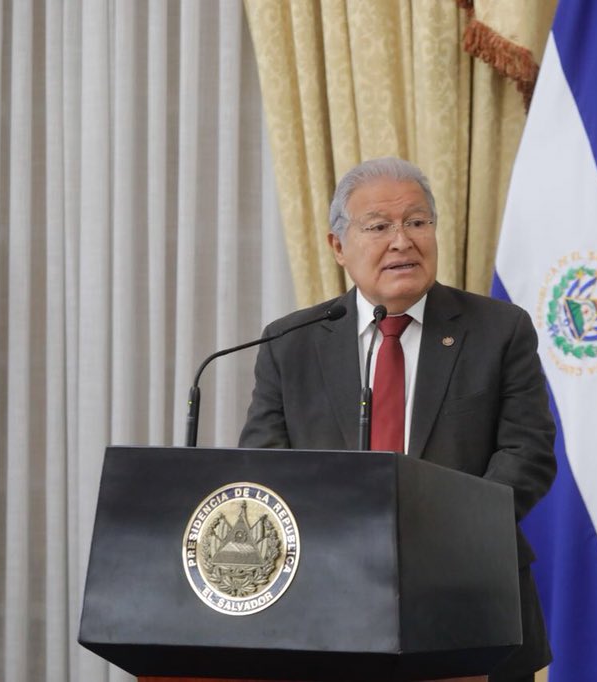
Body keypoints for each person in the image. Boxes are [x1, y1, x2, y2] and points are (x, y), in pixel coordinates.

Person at [239, 157, 556, 682]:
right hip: (327, 602)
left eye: (417, 221)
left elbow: (528, 453)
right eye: (379, 226)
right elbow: (264, 464)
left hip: (472, 599)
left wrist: (441, 534)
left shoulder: (499, 330)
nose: (402, 241)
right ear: (338, 246)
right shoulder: (290, 342)